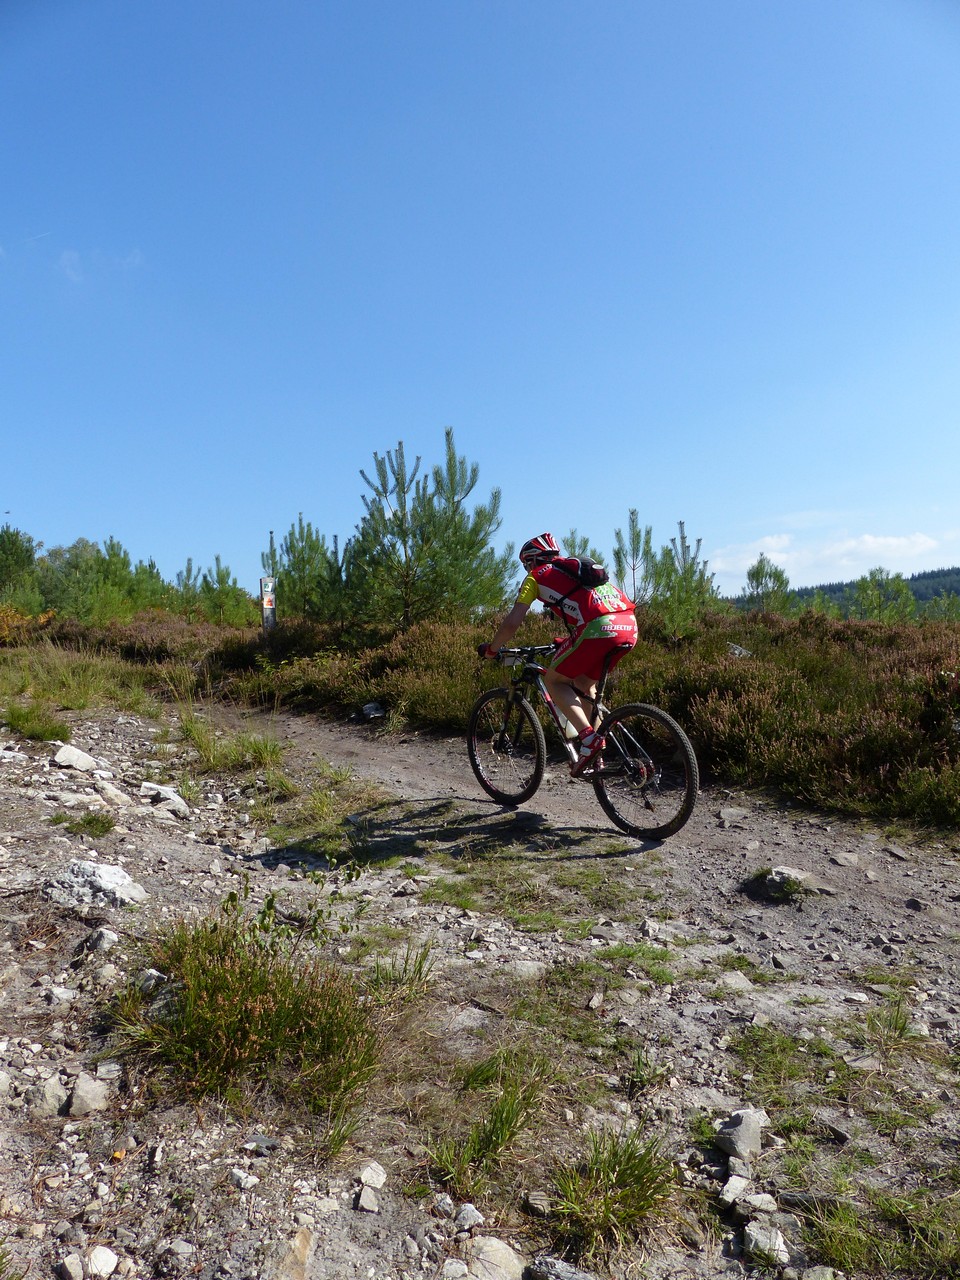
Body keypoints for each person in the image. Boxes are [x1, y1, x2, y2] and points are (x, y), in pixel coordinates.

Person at [479, 532, 637, 775]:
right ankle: (597, 753)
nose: (526, 569)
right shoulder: (575, 571)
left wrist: (493, 649)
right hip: (628, 625)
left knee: (554, 681)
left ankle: (589, 740)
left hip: (598, 628)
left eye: (525, 564)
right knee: (583, 683)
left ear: (532, 560)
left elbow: (512, 623)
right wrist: (570, 641)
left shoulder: (535, 577)